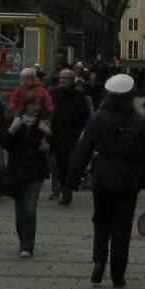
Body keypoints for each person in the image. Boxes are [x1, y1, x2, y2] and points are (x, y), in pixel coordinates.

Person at [65, 71, 145, 287]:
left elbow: (83, 149)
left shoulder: (97, 118)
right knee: (122, 226)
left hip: (102, 175)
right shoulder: (139, 121)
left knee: (101, 220)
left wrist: (71, 180)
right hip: (128, 177)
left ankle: (99, 261)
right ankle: (118, 272)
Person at [1, 94, 53, 257]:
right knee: (20, 211)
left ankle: (27, 245)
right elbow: (5, 144)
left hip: (36, 171)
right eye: (33, 104)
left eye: (39, 104)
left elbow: (54, 147)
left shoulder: (43, 124)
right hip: (17, 171)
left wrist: (49, 134)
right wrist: (12, 129)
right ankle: (23, 239)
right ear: (26, 106)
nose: (37, 107)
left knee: (30, 208)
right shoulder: (16, 122)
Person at [49, 69, 92, 205]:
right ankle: (64, 189)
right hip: (58, 134)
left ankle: (68, 190)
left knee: (71, 163)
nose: (62, 80)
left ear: (72, 80)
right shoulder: (54, 93)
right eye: (61, 77)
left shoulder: (79, 95)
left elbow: (85, 115)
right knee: (60, 164)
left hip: (73, 135)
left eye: (66, 78)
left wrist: (82, 131)